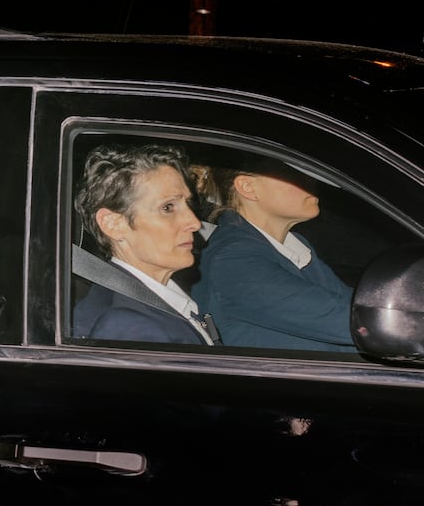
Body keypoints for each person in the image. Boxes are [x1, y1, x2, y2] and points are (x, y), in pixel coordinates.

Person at [192, 158, 357, 350]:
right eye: (294, 174)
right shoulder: (235, 261)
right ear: (248, 187)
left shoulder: (293, 246)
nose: (311, 181)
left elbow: (351, 305)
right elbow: (349, 322)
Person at [71, 142, 217, 345]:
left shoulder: (153, 300)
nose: (193, 222)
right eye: (167, 208)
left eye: (188, 204)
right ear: (114, 224)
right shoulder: (129, 327)